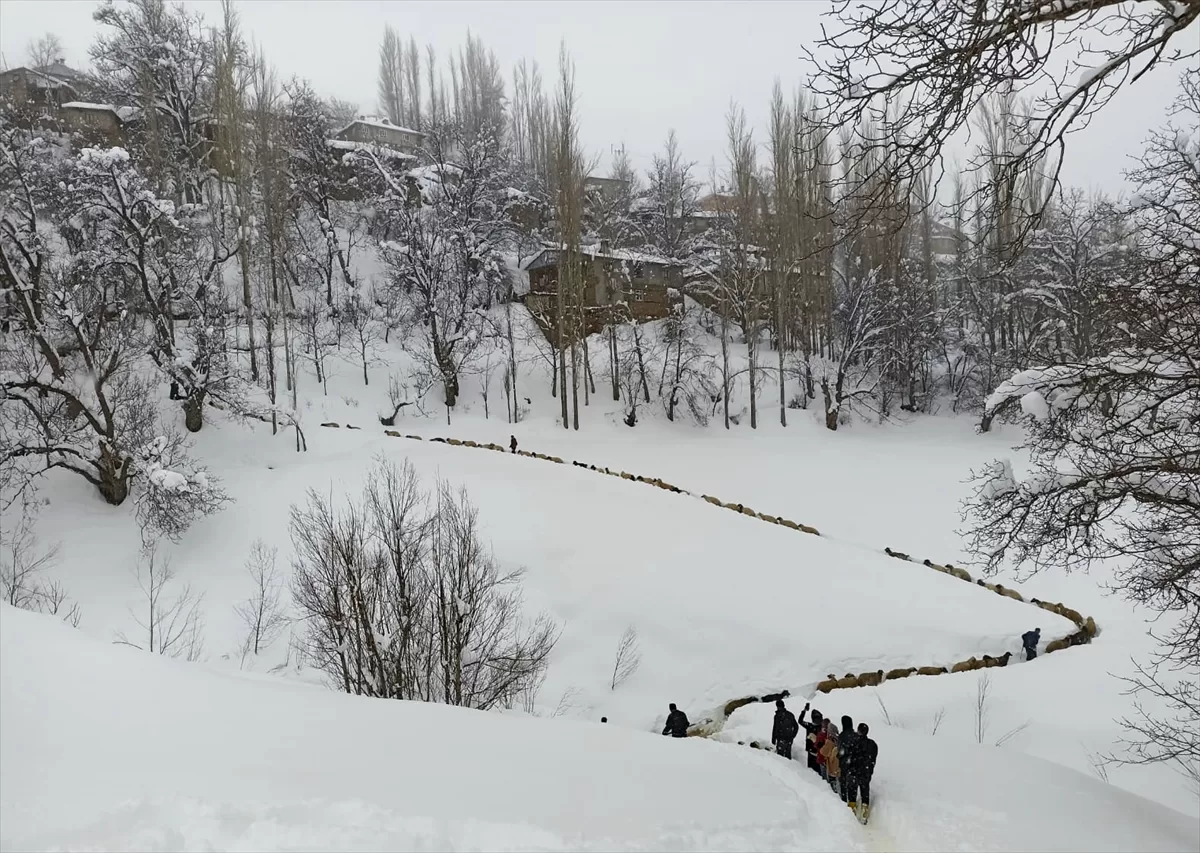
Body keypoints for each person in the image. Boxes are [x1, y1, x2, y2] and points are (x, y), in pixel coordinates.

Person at [846, 722, 878, 823]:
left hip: (854, 772)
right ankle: (864, 813)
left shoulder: (853, 742)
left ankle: (852, 811)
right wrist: (870, 770)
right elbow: (873, 759)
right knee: (865, 792)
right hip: (866, 772)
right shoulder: (872, 744)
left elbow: (848, 757)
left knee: (852, 792)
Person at [838, 715, 859, 804]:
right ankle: (852, 803)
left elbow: (840, 751)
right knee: (853, 786)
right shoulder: (856, 735)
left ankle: (844, 802)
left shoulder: (842, 736)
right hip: (855, 764)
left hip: (844, 764)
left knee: (844, 784)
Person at [799, 704, 823, 773]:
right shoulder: (811, 726)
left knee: (813, 771)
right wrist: (804, 711)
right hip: (814, 751)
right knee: (812, 770)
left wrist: (804, 711)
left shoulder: (811, 726)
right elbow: (800, 721)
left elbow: (800, 721)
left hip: (817, 751)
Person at [820, 723, 841, 797]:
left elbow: (823, 752)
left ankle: (835, 799)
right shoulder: (839, 740)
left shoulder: (829, 741)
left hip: (832, 768)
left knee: (832, 785)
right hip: (839, 768)